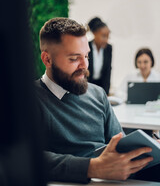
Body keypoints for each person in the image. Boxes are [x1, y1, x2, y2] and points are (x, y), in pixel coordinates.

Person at [35, 18, 159, 183]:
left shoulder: (98, 94)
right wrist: (92, 167)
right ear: (47, 59)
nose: (84, 65)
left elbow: (120, 145)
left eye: (86, 56)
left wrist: (149, 147)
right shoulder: (28, 99)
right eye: (74, 58)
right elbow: (24, 157)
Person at [87, 17, 112, 95]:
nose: (106, 40)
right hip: (87, 85)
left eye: (108, 37)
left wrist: (106, 93)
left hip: (101, 86)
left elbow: (108, 71)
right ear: (95, 33)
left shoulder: (108, 48)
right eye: (103, 36)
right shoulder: (87, 47)